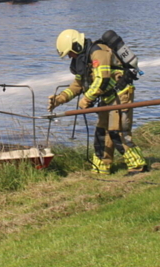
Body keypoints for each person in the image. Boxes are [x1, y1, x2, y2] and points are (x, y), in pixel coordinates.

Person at [48, 30, 147, 175]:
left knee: (117, 132)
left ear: (76, 46)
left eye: (70, 52)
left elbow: (103, 79)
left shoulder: (98, 53)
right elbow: (78, 84)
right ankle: (101, 168)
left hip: (120, 94)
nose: (70, 56)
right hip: (107, 97)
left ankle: (138, 166)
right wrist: (59, 99)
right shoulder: (83, 58)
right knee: (101, 133)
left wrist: (87, 98)